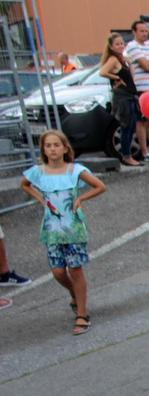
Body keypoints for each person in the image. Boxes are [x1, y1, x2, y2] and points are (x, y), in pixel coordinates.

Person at [18, 130, 105, 335]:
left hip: (73, 226)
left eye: (56, 145)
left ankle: (82, 314)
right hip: (51, 227)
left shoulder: (74, 170)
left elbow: (99, 186)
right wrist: (39, 198)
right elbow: (24, 184)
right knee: (58, 271)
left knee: (75, 269)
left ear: (65, 148)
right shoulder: (39, 171)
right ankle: (75, 292)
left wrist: (81, 199)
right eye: (48, 146)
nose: (52, 149)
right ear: (43, 150)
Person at [124, 21, 149, 162]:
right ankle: (144, 152)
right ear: (134, 32)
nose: (145, 33)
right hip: (140, 90)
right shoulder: (132, 47)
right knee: (141, 122)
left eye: (146, 31)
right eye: (141, 31)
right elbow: (146, 66)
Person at [98, 32, 140, 167]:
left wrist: (129, 65)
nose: (120, 46)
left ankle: (128, 154)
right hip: (122, 97)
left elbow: (131, 78)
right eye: (117, 44)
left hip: (129, 94)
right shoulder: (113, 59)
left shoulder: (123, 59)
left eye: (122, 43)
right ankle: (126, 156)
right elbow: (102, 72)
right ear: (111, 46)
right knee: (126, 126)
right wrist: (116, 78)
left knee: (132, 125)